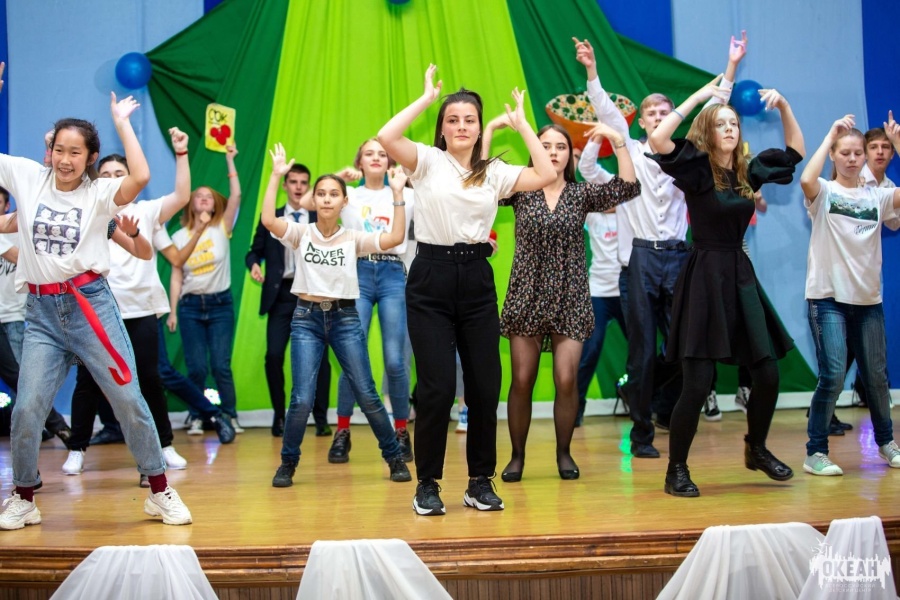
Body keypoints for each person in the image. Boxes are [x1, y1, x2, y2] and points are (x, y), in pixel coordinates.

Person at [0, 81, 191, 528]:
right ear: (50, 151)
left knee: (127, 398)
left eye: (75, 152)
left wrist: (122, 123)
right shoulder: (27, 178)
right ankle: (24, 495)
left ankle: (159, 489)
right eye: (59, 150)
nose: (65, 160)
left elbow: (140, 178)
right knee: (26, 408)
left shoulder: (98, 194)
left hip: (91, 308)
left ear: (89, 158)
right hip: (41, 314)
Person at [378, 65, 555, 515]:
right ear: (441, 128)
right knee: (436, 388)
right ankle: (428, 484)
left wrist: (522, 125)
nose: (461, 126)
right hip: (430, 278)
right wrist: (426, 98)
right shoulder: (425, 161)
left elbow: (547, 172)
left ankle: (479, 482)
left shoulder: (494, 173)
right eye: (452, 119)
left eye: (469, 120)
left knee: (484, 387)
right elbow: (386, 136)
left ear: (479, 129)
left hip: (476, 278)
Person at [574, 33, 746, 458]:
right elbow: (606, 111)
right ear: (641, 121)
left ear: (673, 118)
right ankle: (641, 435)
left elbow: (712, 108)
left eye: (664, 111)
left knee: (687, 348)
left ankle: (665, 409)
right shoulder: (630, 152)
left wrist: (731, 66)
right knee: (642, 353)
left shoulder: (686, 156)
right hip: (640, 260)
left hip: (681, 258)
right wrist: (592, 71)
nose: (656, 116)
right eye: (650, 111)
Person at [647, 77, 804, 497]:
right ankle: (676, 470)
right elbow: (659, 139)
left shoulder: (749, 171)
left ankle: (757, 448)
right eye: (721, 123)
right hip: (704, 277)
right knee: (698, 384)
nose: (730, 129)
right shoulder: (698, 168)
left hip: (739, 274)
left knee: (767, 373)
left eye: (734, 123)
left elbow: (795, 152)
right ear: (708, 131)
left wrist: (785, 107)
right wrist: (700, 97)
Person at [63, 130, 235, 485]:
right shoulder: (88, 211)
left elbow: (182, 196)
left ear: (131, 179)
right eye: (106, 174)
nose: (113, 179)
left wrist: (182, 152)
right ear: (96, 181)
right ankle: (76, 448)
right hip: (99, 310)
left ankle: (165, 445)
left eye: (119, 174)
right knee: (88, 381)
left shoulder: (146, 211)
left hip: (141, 308)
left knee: (151, 378)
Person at [484, 120, 640, 482]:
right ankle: (517, 457)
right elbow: (482, 180)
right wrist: (489, 129)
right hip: (526, 294)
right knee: (522, 379)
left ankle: (564, 453)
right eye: (546, 146)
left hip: (570, 296)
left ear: (571, 154)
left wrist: (618, 141)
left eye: (560, 147)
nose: (553, 153)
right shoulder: (519, 187)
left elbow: (628, 187)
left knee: (566, 379)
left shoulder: (580, 194)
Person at [261, 144, 411, 488]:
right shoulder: (301, 233)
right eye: (321, 194)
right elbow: (269, 220)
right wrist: (275, 176)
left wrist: (398, 194)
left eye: (334, 194)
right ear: (313, 201)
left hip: (345, 320)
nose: (327, 199)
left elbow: (395, 237)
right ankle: (288, 463)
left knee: (368, 393)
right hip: (306, 321)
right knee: (301, 398)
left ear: (345, 202)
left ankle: (393, 457)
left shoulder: (353, 238)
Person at [799, 116, 900, 476]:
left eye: (859, 153)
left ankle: (887, 442)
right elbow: (806, 180)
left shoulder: (879, 196)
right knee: (833, 375)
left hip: (868, 302)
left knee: (876, 378)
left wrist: (897, 143)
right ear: (834, 155)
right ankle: (816, 451)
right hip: (827, 299)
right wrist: (829, 135)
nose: (853, 158)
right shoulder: (825, 192)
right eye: (845, 153)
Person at [328, 139, 416, 464]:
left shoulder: (406, 193)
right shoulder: (348, 196)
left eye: (382, 154)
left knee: (395, 360)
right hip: (358, 273)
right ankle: (342, 430)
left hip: (393, 273)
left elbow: (437, 219)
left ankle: (401, 431)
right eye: (369, 154)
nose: (376, 158)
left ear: (390, 162)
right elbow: (313, 203)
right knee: (351, 355)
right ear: (360, 162)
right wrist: (338, 179)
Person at [246, 162, 331, 438]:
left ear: (309, 187)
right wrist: (254, 265)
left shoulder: (320, 217)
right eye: (293, 182)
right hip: (281, 295)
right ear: (285, 185)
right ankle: (280, 415)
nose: (298, 187)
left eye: (303, 183)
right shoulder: (271, 216)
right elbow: (253, 251)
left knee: (321, 358)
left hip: (313, 294)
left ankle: (321, 418)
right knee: (273, 356)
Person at [170, 145, 242, 432]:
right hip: (190, 307)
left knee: (221, 365)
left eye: (208, 197)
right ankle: (198, 414)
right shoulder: (178, 236)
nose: (203, 198)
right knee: (197, 367)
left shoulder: (222, 228)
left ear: (214, 206)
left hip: (220, 305)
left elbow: (236, 196)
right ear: (191, 204)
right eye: (198, 195)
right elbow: (176, 275)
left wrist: (230, 160)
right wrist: (173, 311)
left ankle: (230, 414)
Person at [0, 186, 71, 443]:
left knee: (23, 377)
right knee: (18, 377)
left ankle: (40, 427)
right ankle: (48, 426)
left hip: (15, 314)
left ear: (7, 206)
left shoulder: (23, 231)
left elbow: (26, 260)